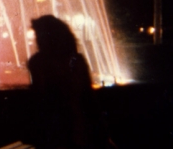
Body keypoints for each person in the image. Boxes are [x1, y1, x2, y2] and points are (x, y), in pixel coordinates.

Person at [28, 15, 115, 149]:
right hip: (72, 127)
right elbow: (88, 97)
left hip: (60, 129)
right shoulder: (75, 60)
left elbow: (40, 96)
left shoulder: (39, 62)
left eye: (40, 35)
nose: (38, 41)